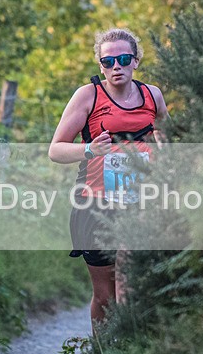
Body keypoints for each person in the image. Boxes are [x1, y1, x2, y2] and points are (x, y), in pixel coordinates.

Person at [48, 28, 170, 330]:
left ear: (136, 61)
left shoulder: (152, 95)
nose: (117, 67)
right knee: (104, 295)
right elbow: (56, 150)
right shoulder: (88, 96)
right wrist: (89, 148)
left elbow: (171, 139)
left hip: (140, 202)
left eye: (124, 59)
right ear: (100, 65)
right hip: (95, 202)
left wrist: (165, 147)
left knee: (129, 283)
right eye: (108, 61)